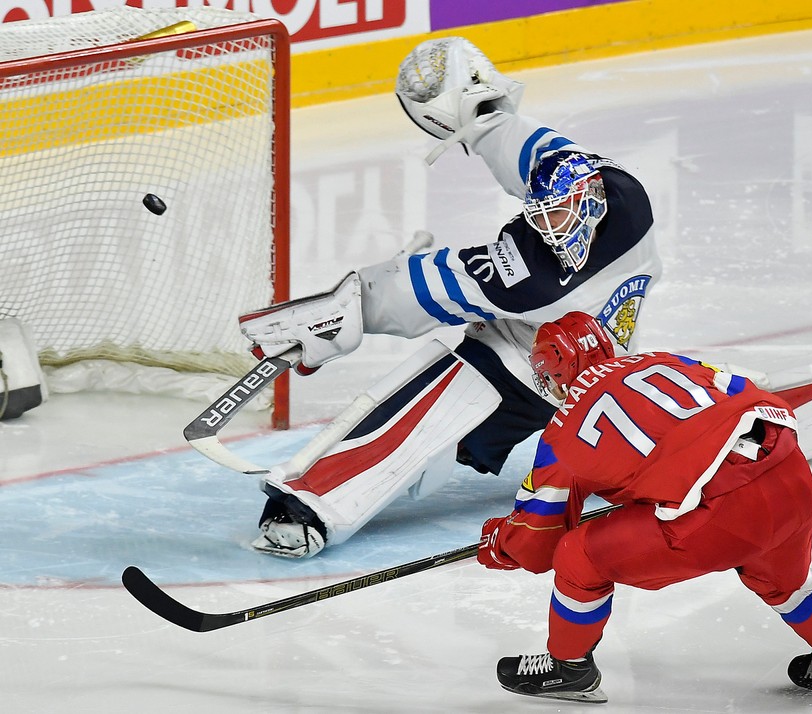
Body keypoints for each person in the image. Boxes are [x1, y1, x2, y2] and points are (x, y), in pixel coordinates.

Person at [237, 37, 662, 558]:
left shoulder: (532, 273)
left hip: (535, 368)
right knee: (464, 439)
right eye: (546, 212)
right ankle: (650, 451)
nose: (553, 223)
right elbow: (530, 147)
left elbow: (447, 283)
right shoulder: (613, 189)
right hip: (600, 365)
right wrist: (481, 115)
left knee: (419, 409)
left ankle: (310, 508)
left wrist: (354, 304)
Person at [476, 311, 812, 703]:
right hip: (788, 476)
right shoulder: (663, 361)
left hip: (718, 515)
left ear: (556, 373)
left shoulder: (561, 434)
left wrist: (501, 543)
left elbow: (537, 540)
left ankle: (567, 669)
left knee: (577, 554)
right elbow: (742, 392)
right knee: (785, 578)